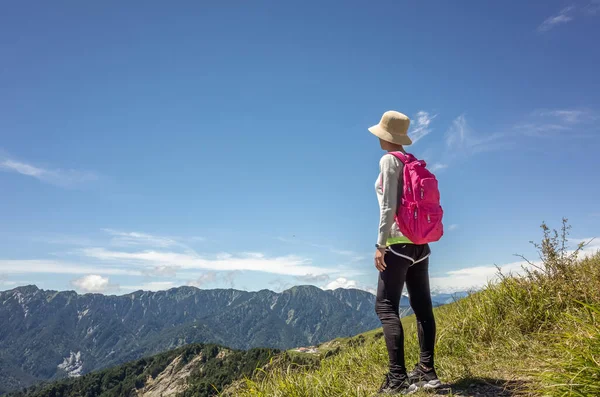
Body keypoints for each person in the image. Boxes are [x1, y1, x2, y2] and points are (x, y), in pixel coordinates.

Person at [369, 110, 442, 395]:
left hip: (398, 243)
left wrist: (380, 244)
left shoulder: (389, 160)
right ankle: (427, 372)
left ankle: (397, 379)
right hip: (421, 245)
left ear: (385, 136)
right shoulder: (412, 161)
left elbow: (388, 206)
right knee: (422, 307)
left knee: (385, 307)